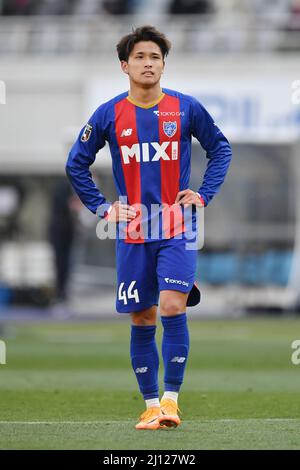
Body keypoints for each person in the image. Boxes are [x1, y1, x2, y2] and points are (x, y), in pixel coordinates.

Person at [66, 25, 232, 430]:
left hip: (178, 226)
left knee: (173, 306)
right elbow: (76, 164)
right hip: (133, 230)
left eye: (155, 57)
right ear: (125, 65)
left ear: (163, 65)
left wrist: (203, 194)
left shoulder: (185, 108)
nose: (148, 63)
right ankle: (151, 405)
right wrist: (104, 209)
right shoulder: (108, 113)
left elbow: (220, 147)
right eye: (140, 57)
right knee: (142, 317)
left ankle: (172, 402)